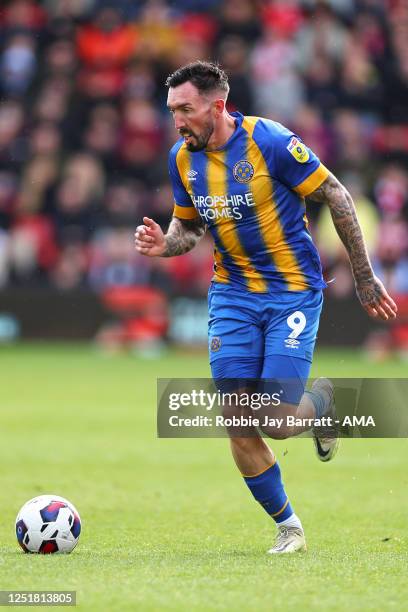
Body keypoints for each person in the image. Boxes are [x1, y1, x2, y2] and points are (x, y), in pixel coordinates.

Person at [134, 61, 397, 554]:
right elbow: (189, 228)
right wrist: (161, 244)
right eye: (172, 111)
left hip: (291, 292)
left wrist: (364, 276)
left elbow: (336, 195)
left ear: (218, 106)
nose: (177, 121)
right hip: (232, 293)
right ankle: (288, 525)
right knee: (237, 418)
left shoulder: (270, 141)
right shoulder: (182, 160)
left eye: (185, 109)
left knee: (275, 419)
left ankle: (321, 405)